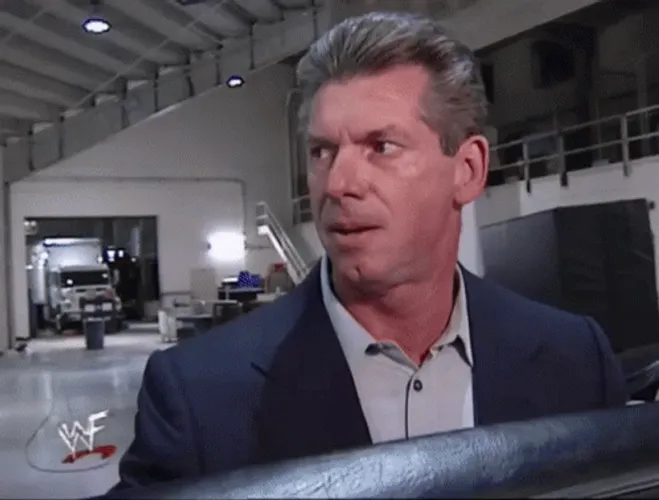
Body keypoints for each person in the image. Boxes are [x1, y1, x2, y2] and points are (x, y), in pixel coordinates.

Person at [110, 11, 627, 492]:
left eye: (381, 147)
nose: (338, 184)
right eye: (322, 151)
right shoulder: (197, 397)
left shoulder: (575, 360)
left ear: (468, 170)